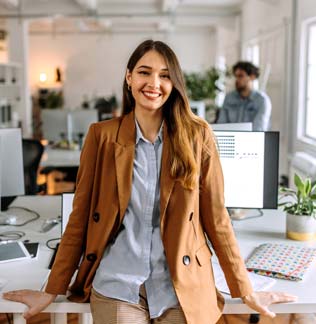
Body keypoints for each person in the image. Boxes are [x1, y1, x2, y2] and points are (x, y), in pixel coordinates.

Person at [3, 40, 296, 324]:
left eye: (165, 75)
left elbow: (217, 219)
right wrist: (52, 289)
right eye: (144, 72)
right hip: (118, 284)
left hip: (179, 285)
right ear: (129, 77)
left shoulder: (198, 135)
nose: (154, 83)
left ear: (174, 84)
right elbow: (79, 218)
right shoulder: (102, 135)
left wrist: (244, 289)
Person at [217, 61, 271, 131]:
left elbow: (259, 130)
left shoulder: (262, 101)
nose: (237, 80)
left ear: (252, 77)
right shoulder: (229, 98)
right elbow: (221, 125)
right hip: (231, 140)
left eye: (240, 76)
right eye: (236, 76)